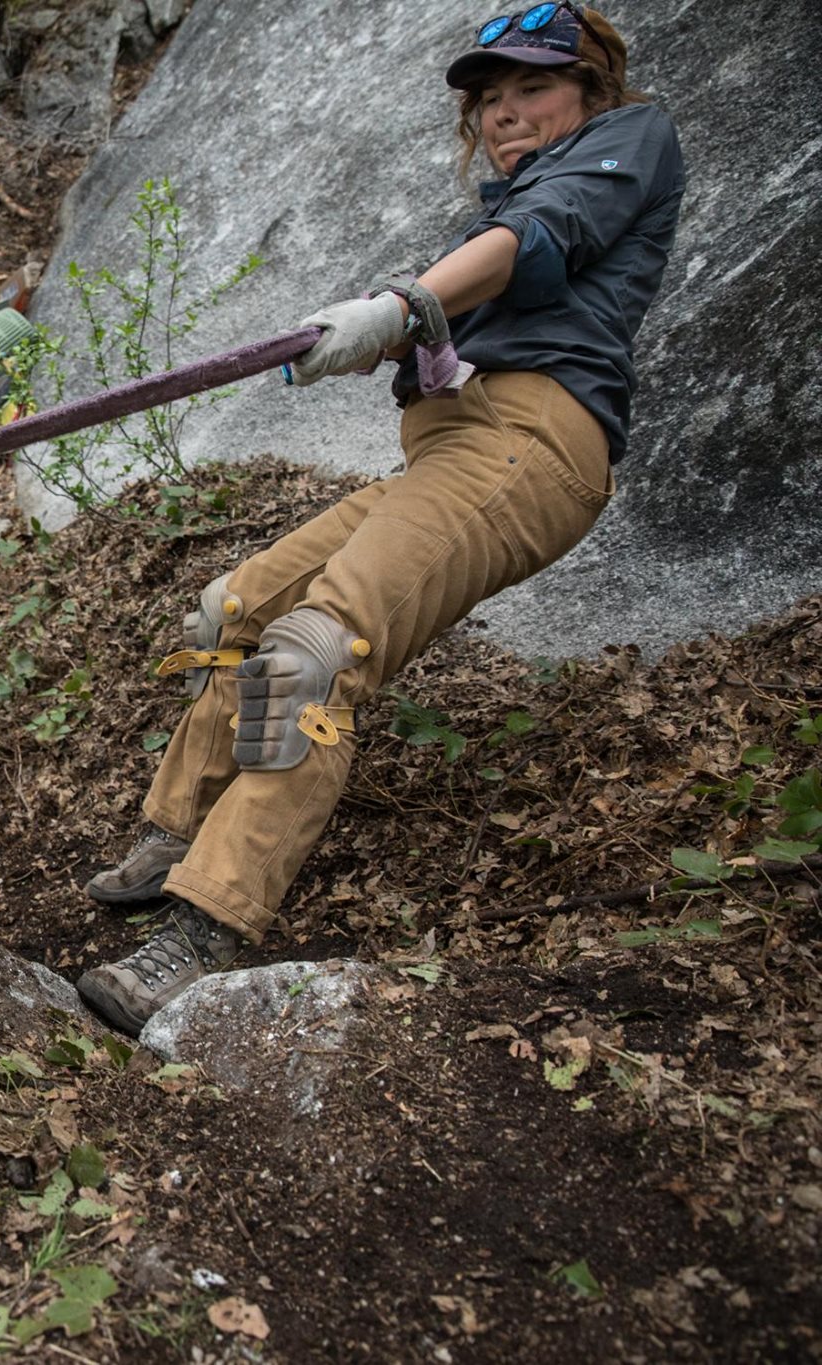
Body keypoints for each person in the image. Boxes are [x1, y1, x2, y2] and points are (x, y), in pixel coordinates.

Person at [76, 4, 683, 1033]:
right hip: (448, 451)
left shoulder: (628, 138)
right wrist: (392, 335)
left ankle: (207, 923)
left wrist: (401, 307)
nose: (502, 114)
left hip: (528, 448)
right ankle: (177, 829)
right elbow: (479, 276)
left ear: (590, 93)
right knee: (234, 608)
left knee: (312, 654)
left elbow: (536, 237)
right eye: (486, 102)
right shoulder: (501, 205)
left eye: (530, 88)